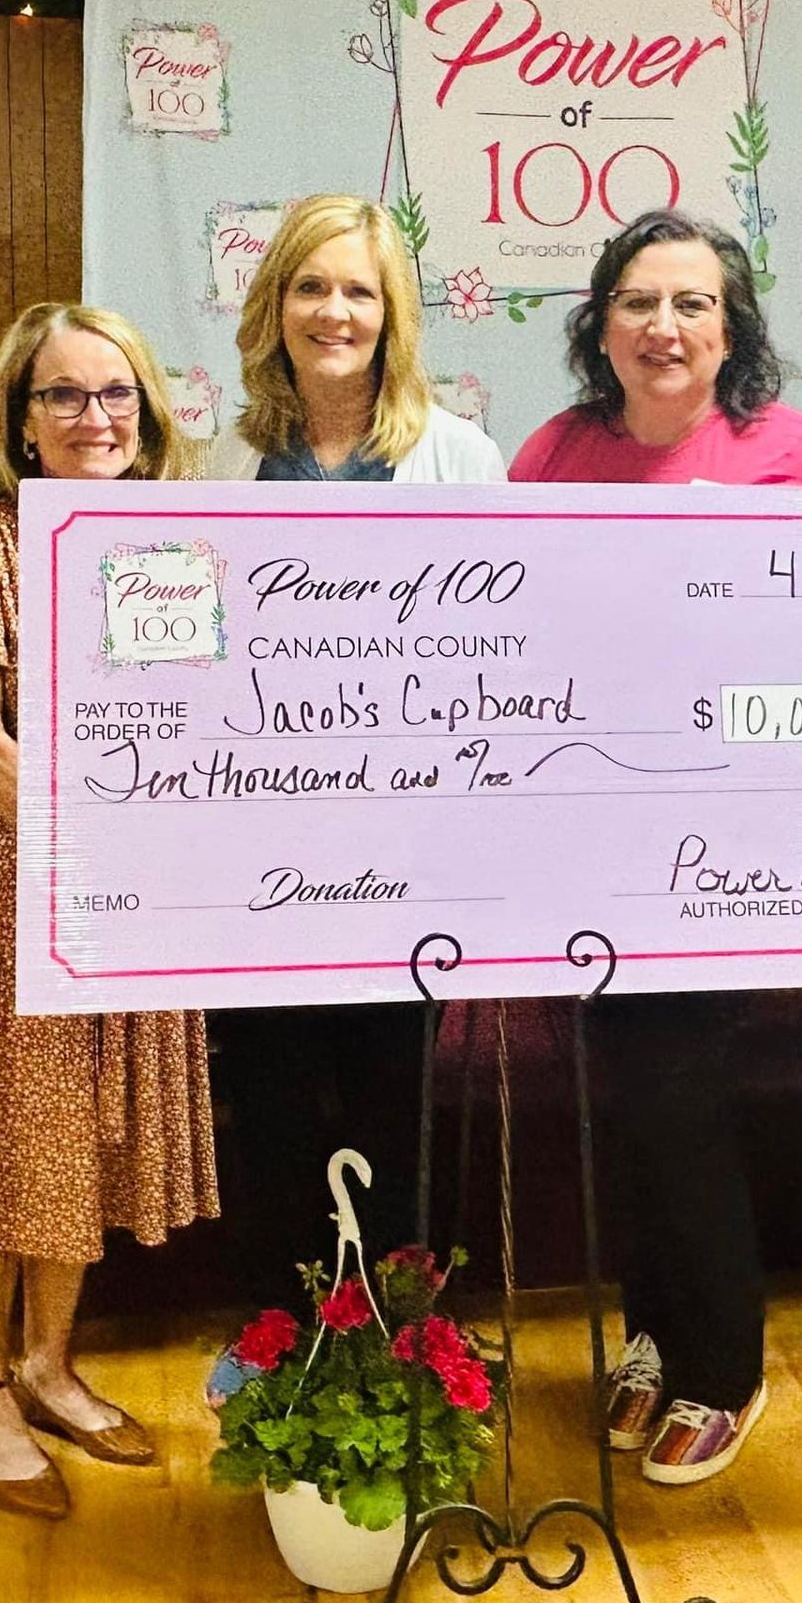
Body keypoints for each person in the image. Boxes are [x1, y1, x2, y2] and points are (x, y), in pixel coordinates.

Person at [510, 207, 802, 1485]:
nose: (665, 326)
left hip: (727, 833)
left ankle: (722, 1364)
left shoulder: (792, 453)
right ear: (601, 324)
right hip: (586, 829)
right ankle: (654, 1330)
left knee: (680, 1090)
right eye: (639, 302)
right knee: (630, 1089)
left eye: (693, 303)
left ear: (732, 328)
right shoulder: (554, 452)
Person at [0, 304, 218, 1517]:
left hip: (134, 876)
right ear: (20, 419)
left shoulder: (172, 541)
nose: (93, 417)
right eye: (63, 395)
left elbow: (196, 717)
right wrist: (95, 847)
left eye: (115, 393)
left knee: (79, 1129)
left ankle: (49, 1364)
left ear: (148, 410)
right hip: (12, 874)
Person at [206, 194, 504, 1276]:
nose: (334, 312)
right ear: (273, 304)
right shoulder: (219, 461)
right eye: (311, 286)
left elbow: (496, 658)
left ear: (394, 315)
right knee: (271, 1096)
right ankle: (283, 1336)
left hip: (406, 850)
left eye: (358, 292)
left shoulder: (461, 459)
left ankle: (406, 1335)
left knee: (394, 1096)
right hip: (257, 850)